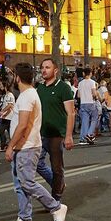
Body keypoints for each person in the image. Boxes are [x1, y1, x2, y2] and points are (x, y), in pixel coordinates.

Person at [5, 63, 69, 221]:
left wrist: (11, 146)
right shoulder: (29, 94)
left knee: (27, 183)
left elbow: (23, 125)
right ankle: (25, 218)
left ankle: (55, 207)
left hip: (26, 147)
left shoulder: (27, 96)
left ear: (18, 78)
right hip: (24, 146)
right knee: (20, 184)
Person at [35, 58, 76, 201]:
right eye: (42, 67)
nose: (44, 70)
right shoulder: (39, 88)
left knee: (57, 168)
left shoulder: (63, 88)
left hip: (57, 135)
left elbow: (71, 113)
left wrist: (69, 136)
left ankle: (56, 198)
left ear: (55, 70)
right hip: (41, 134)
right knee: (36, 163)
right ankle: (57, 184)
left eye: (47, 67)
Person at [76, 68, 99, 145]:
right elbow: (94, 93)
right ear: (90, 74)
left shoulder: (80, 83)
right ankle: (89, 134)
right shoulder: (92, 82)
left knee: (84, 121)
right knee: (94, 118)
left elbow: (78, 95)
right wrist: (95, 97)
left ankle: (82, 138)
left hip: (83, 103)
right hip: (90, 102)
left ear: (83, 74)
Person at [0, 78, 16, 146]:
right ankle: (7, 144)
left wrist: (3, 112)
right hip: (6, 116)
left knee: (1, 130)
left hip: (8, 117)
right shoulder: (5, 95)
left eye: (1, 84)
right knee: (8, 131)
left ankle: (4, 144)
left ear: (5, 86)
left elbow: (10, 105)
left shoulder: (10, 95)